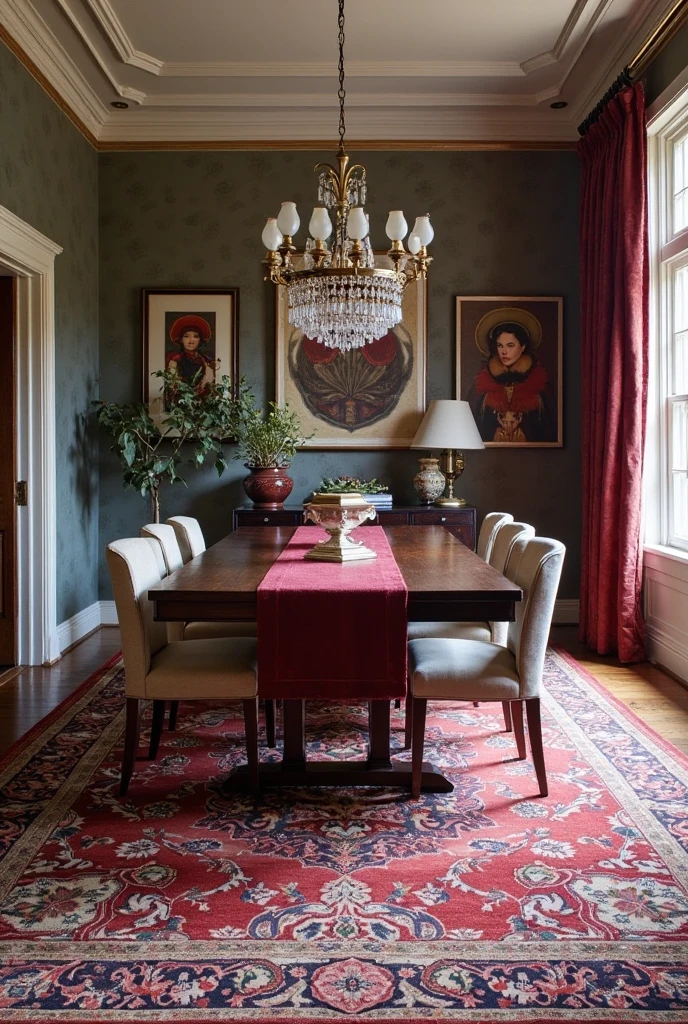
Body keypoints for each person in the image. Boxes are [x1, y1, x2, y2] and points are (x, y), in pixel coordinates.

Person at [470, 307, 553, 444]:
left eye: (510, 345)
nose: (504, 352)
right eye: (500, 345)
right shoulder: (482, 384)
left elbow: (546, 429)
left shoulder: (541, 385)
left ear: (523, 347)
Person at [166, 314, 217, 392]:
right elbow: (172, 385)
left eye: (195, 336)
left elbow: (209, 384)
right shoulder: (174, 360)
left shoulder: (206, 361)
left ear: (200, 340)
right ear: (181, 339)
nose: (191, 341)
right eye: (186, 336)